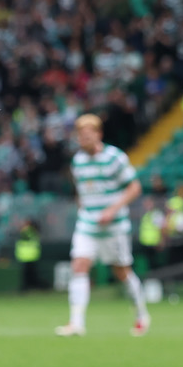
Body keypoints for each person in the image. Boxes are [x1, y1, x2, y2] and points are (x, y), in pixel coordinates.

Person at [56, 114, 151, 337]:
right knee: (79, 265)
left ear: (98, 134)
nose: (84, 138)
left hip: (114, 227)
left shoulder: (114, 158)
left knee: (121, 271)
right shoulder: (78, 161)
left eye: (88, 134)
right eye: (80, 135)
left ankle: (141, 314)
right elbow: (83, 192)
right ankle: (76, 323)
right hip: (88, 224)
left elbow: (134, 188)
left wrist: (112, 209)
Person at [15, 219, 41, 292]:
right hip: (29, 256)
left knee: (29, 274)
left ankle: (29, 287)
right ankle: (30, 287)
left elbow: (24, 236)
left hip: (28, 255)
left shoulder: (29, 231)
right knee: (29, 273)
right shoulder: (34, 231)